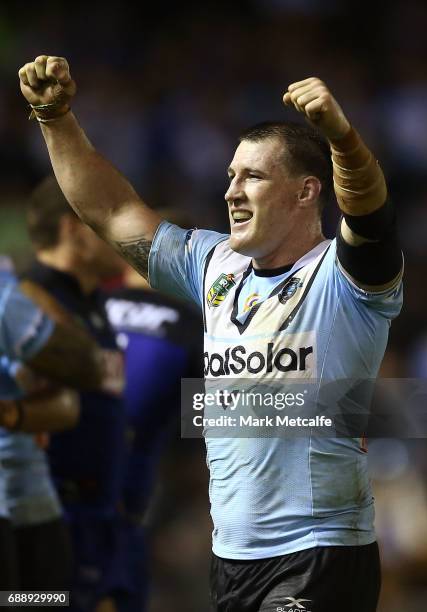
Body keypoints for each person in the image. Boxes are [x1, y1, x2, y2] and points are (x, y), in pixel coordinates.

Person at [19, 56, 403, 612]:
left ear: (304, 192)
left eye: (253, 176)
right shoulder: (213, 265)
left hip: (320, 553)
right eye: (230, 176)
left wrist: (341, 137)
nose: (232, 192)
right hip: (231, 559)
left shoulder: (344, 276)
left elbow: (371, 212)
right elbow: (111, 209)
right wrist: (54, 117)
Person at [23, 176, 127, 612]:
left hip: (96, 521)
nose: (123, 235)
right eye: (109, 222)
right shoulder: (26, 301)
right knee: (28, 603)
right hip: (43, 520)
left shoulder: (95, 304)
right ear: (73, 227)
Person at [105, 255, 203, 612]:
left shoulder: (84, 307)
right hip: (127, 508)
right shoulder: (194, 330)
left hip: (46, 492)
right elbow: (205, 443)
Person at [0, 255, 103, 590]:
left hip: (34, 498)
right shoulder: (13, 295)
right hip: (51, 503)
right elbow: (88, 370)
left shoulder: (98, 302)